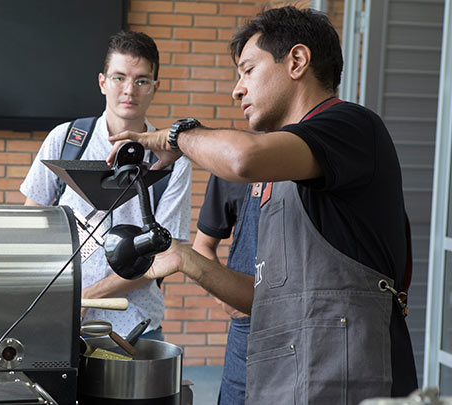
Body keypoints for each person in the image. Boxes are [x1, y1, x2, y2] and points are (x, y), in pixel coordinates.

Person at [107, 6, 417, 403]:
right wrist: (185, 259)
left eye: (248, 70)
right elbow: (265, 300)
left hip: (349, 381)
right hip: (283, 381)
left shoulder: (352, 126)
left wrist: (176, 136)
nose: (238, 89)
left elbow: (242, 158)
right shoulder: (282, 171)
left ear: (297, 61)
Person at [20, 30, 192, 339]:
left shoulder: (172, 159)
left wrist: (88, 296)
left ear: (155, 87)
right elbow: (31, 223)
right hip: (58, 320)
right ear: (102, 82)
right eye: (119, 78)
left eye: (141, 80)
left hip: (136, 327)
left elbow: (166, 254)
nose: (129, 90)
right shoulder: (66, 139)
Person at [193, 177, 263, 405]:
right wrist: (226, 300)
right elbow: (202, 247)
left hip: (305, 324)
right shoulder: (229, 168)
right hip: (247, 328)